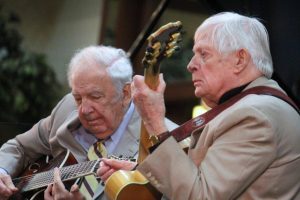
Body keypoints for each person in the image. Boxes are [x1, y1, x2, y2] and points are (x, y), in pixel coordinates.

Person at [99, 12, 300, 199]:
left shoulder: (254, 115)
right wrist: (141, 172)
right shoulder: (250, 107)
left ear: (240, 60)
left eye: (204, 54)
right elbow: (202, 177)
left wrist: (154, 120)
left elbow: (200, 194)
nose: (190, 65)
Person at [0, 45, 178, 200]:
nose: (84, 110)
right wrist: (2, 172)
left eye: (95, 97)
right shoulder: (67, 107)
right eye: (78, 97)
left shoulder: (166, 140)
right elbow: (19, 147)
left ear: (125, 94)